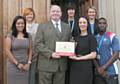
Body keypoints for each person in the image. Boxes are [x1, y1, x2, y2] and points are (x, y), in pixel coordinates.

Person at [34, 5, 71, 84]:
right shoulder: (42, 26)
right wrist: (51, 54)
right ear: (50, 13)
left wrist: (72, 46)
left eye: (57, 11)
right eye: (53, 11)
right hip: (46, 65)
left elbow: (69, 41)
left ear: (61, 13)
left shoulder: (67, 27)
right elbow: (38, 44)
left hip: (61, 66)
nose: (55, 13)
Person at [68, 16, 97, 84]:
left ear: (87, 24)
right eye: (80, 22)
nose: (82, 24)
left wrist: (79, 58)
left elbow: (93, 55)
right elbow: (71, 52)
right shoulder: (75, 38)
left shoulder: (91, 37)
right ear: (78, 24)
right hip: (75, 67)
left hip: (86, 67)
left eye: (84, 22)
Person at [5, 15, 32, 84]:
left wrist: (28, 63)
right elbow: (7, 51)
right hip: (13, 66)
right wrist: (17, 64)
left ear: (25, 24)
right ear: (15, 24)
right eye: (18, 23)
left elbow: (30, 50)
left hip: (25, 67)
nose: (20, 25)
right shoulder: (10, 35)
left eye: (22, 23)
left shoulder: (28, 35)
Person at [94, 17, 120, 84]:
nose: (102, 25)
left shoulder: (112, 36)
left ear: (106, 25)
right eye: (100, 23)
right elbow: (93, 55)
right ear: (97, 25)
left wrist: (103, 68)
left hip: (111, 72)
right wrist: (99, 69)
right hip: (99, 73)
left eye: (104, 23)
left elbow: (116, 55)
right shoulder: (94, 38)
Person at [23, 8, 39, 84]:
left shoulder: (38, 26)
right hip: (23, 54)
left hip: (34, 54)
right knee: (23, 75)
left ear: (33, 15)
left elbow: (39, 40)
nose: (30, 16)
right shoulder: (21, 25)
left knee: (32, 75)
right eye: (27, 14)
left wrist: (36, 52)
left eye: (31, 14)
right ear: (25, 16)